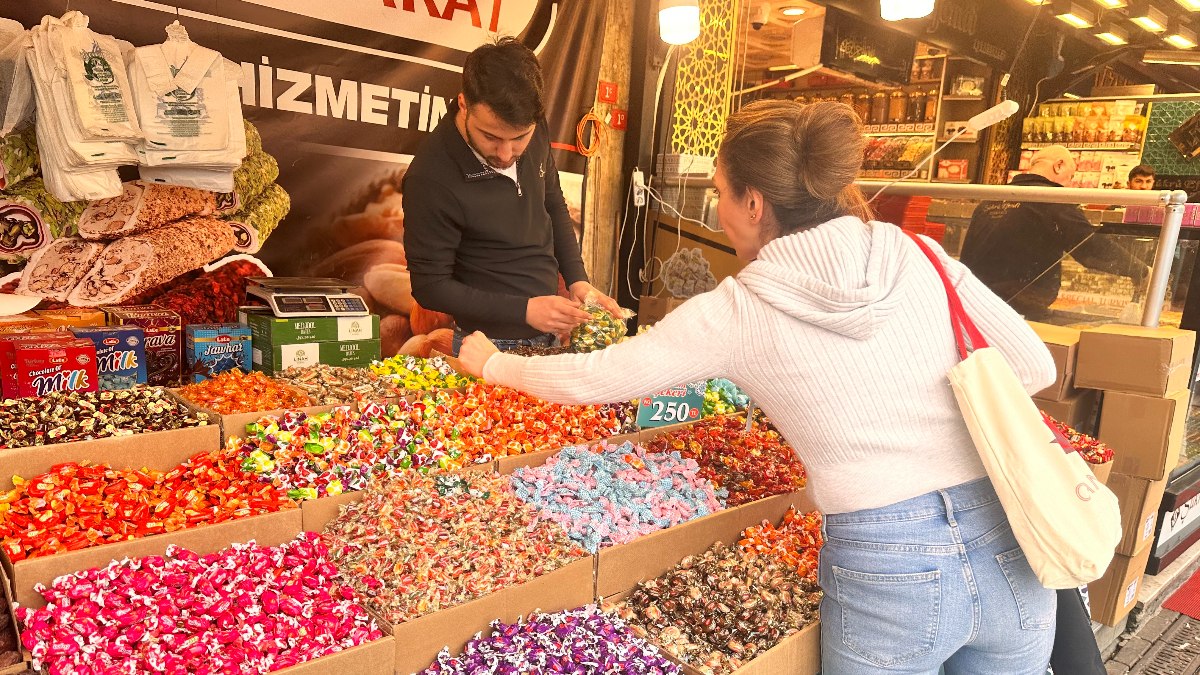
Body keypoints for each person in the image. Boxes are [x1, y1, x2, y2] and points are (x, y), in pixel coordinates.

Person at [460, 100, 1059, 674]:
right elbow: (1033, 366)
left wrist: (493, 363)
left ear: (754, 202)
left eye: (719, 192)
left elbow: (601, 375)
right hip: (1010, 537)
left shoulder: (741, 309)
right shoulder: (918, 252)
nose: (717, 207)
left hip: (888, 564)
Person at [402, 37, 620, 354]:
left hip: (552, 334)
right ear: (464, 104)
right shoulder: (430, 178)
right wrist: (526, 310)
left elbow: (553, 205)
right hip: (488, 345)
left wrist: (577, 281)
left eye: (519, 138)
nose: (506, 154)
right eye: (491, 136)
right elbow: (430, 287)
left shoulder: (532, 122)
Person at [958, 145, 1149, 320]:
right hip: (1020, 309)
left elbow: (966, 258)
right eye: (1071, 176)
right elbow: (1089, 247)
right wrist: (1140, 270)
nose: (1070, 183)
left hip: (975, 304)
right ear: (1059, 166)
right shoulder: (1054, 199)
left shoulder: (990, 200)